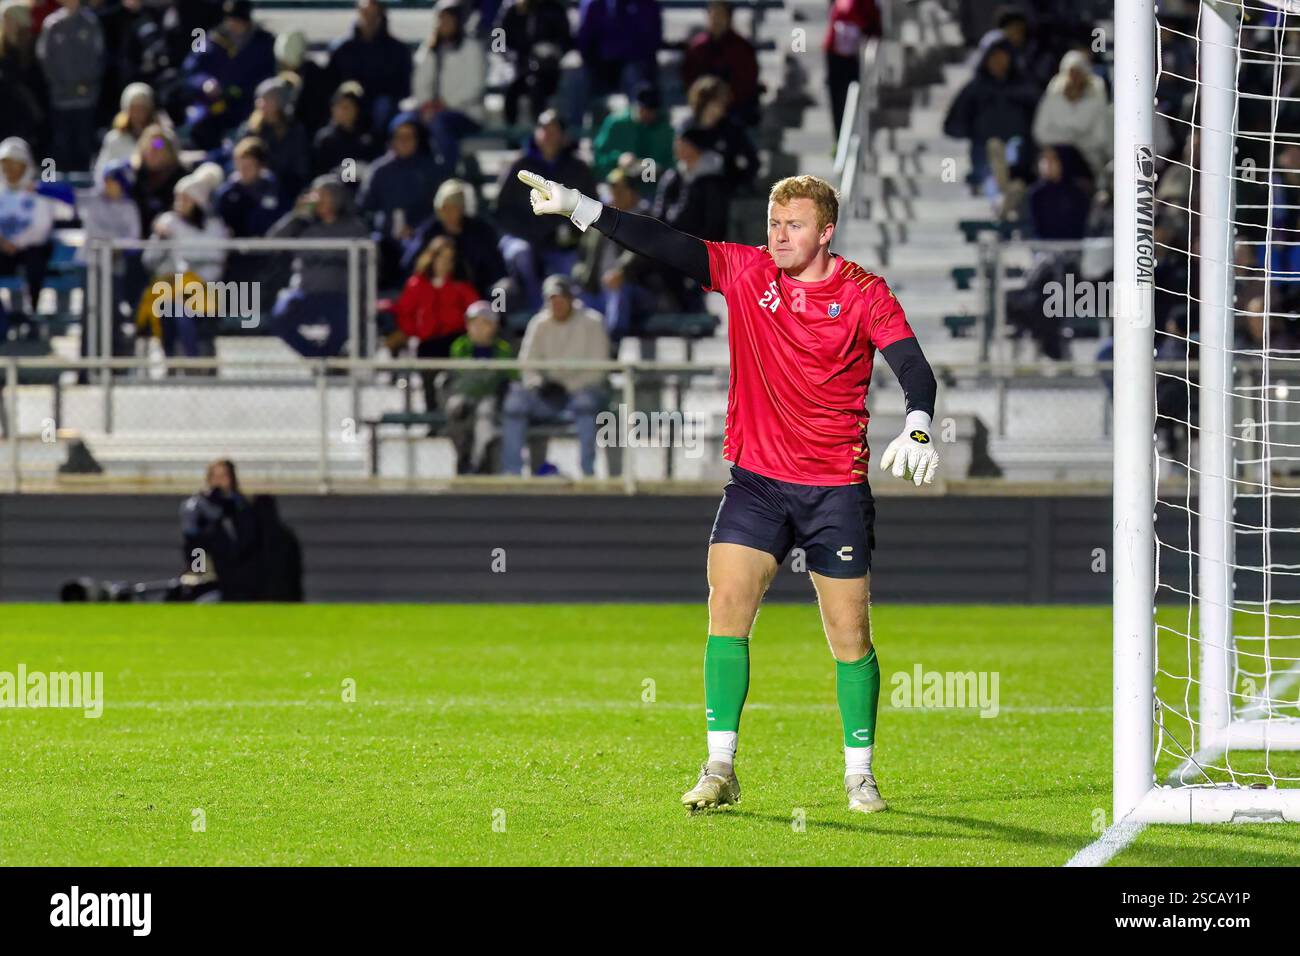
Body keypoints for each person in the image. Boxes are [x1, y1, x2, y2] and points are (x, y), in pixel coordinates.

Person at [515, 167, 938, 813]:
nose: (780, 235)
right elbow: (667, 243)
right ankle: (720, 767)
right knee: (727, 608)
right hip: (758, 483)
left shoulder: (863, 292)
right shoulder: (747, 271)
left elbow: (912, 365)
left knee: (849, 634)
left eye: (794, 224)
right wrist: (581, 207)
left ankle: (860, 774)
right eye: (774, 223)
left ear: (826, 231)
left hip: (835, 488)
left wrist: (917, 426)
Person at [501, 273, 610, 477]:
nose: (556, 304)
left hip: (581, 392)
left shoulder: (593, 322)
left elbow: (599, 369)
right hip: (547, 393)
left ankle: (587, 474)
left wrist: (567, 386)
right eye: (552, 300)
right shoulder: (539, 323)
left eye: (560, 299)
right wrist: (538, 383)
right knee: (514, 403)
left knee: (586, 404)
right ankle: (511, 472)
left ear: (570, 298)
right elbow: (526, 364)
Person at [267, 174, 369, 358]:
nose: (319, 199)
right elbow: (272, 242)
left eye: (326, 194)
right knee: (280, 318)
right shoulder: (302, 225)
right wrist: (296, 216)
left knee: (345, 323)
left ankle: (330, 359)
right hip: (305, 291)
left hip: (339, 293)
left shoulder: (354, 228)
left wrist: (359, 293)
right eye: (316, 194)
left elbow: (365, 265)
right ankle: (317, 357)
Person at [443, 299, 518, 474]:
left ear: (493, 326)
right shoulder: (460, 345)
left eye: (484, 323)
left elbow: (510, 376)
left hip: (490, 397)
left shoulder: (502, 348)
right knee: (456, 409)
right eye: (473, 323)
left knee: (486, 417)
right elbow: (463, 375)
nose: (478, 328)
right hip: (465, 395)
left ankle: (480, 463)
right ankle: (463, 459)